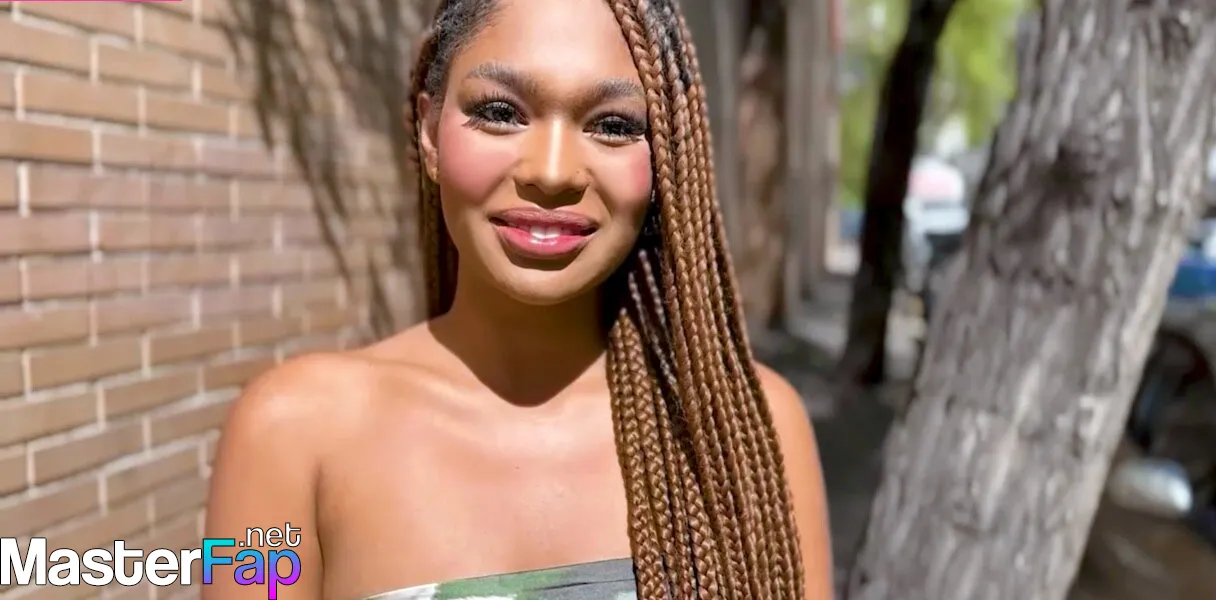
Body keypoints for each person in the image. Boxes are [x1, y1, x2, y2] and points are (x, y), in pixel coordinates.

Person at [203, 0, 834, 598]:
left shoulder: (748, 434)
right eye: (502, 112)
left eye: (613, 125)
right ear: (429, 130)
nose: (551, 172)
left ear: (665, 155)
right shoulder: (290, 434)